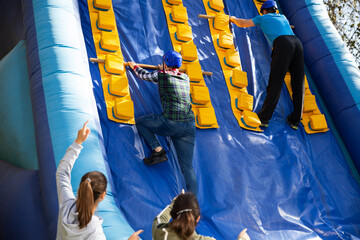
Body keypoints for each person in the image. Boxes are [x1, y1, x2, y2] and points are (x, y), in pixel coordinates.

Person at [56, 120, 143, 239]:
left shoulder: (67, 206)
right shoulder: (94, 232)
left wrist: (78, 142)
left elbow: (62, 173)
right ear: (103, 195)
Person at [128, 50, 198, 195]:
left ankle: (158, 151)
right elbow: (171, 75)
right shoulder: (186, 77)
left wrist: (134, 66)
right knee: (187, 167)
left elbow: (143, 75)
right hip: (189, 125)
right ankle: (192, 203)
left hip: (171, 123)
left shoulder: (161, 75)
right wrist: (163, 69)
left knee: (141, 123)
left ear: (165, 63)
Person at [230, 0, 305, 130]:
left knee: (276, 82)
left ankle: (264, 118)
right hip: (297, 44)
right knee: (298, 83)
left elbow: (243, 23)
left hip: (282, 44)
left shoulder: (262, 18)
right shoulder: (283, 17)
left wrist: (233, 18)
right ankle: (295, 120)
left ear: (264, 11)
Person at [152, 191, 251, 240]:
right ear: (198, 218)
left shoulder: (159, 231)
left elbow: (160, 219)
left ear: (173, 214)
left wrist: (174, 203)